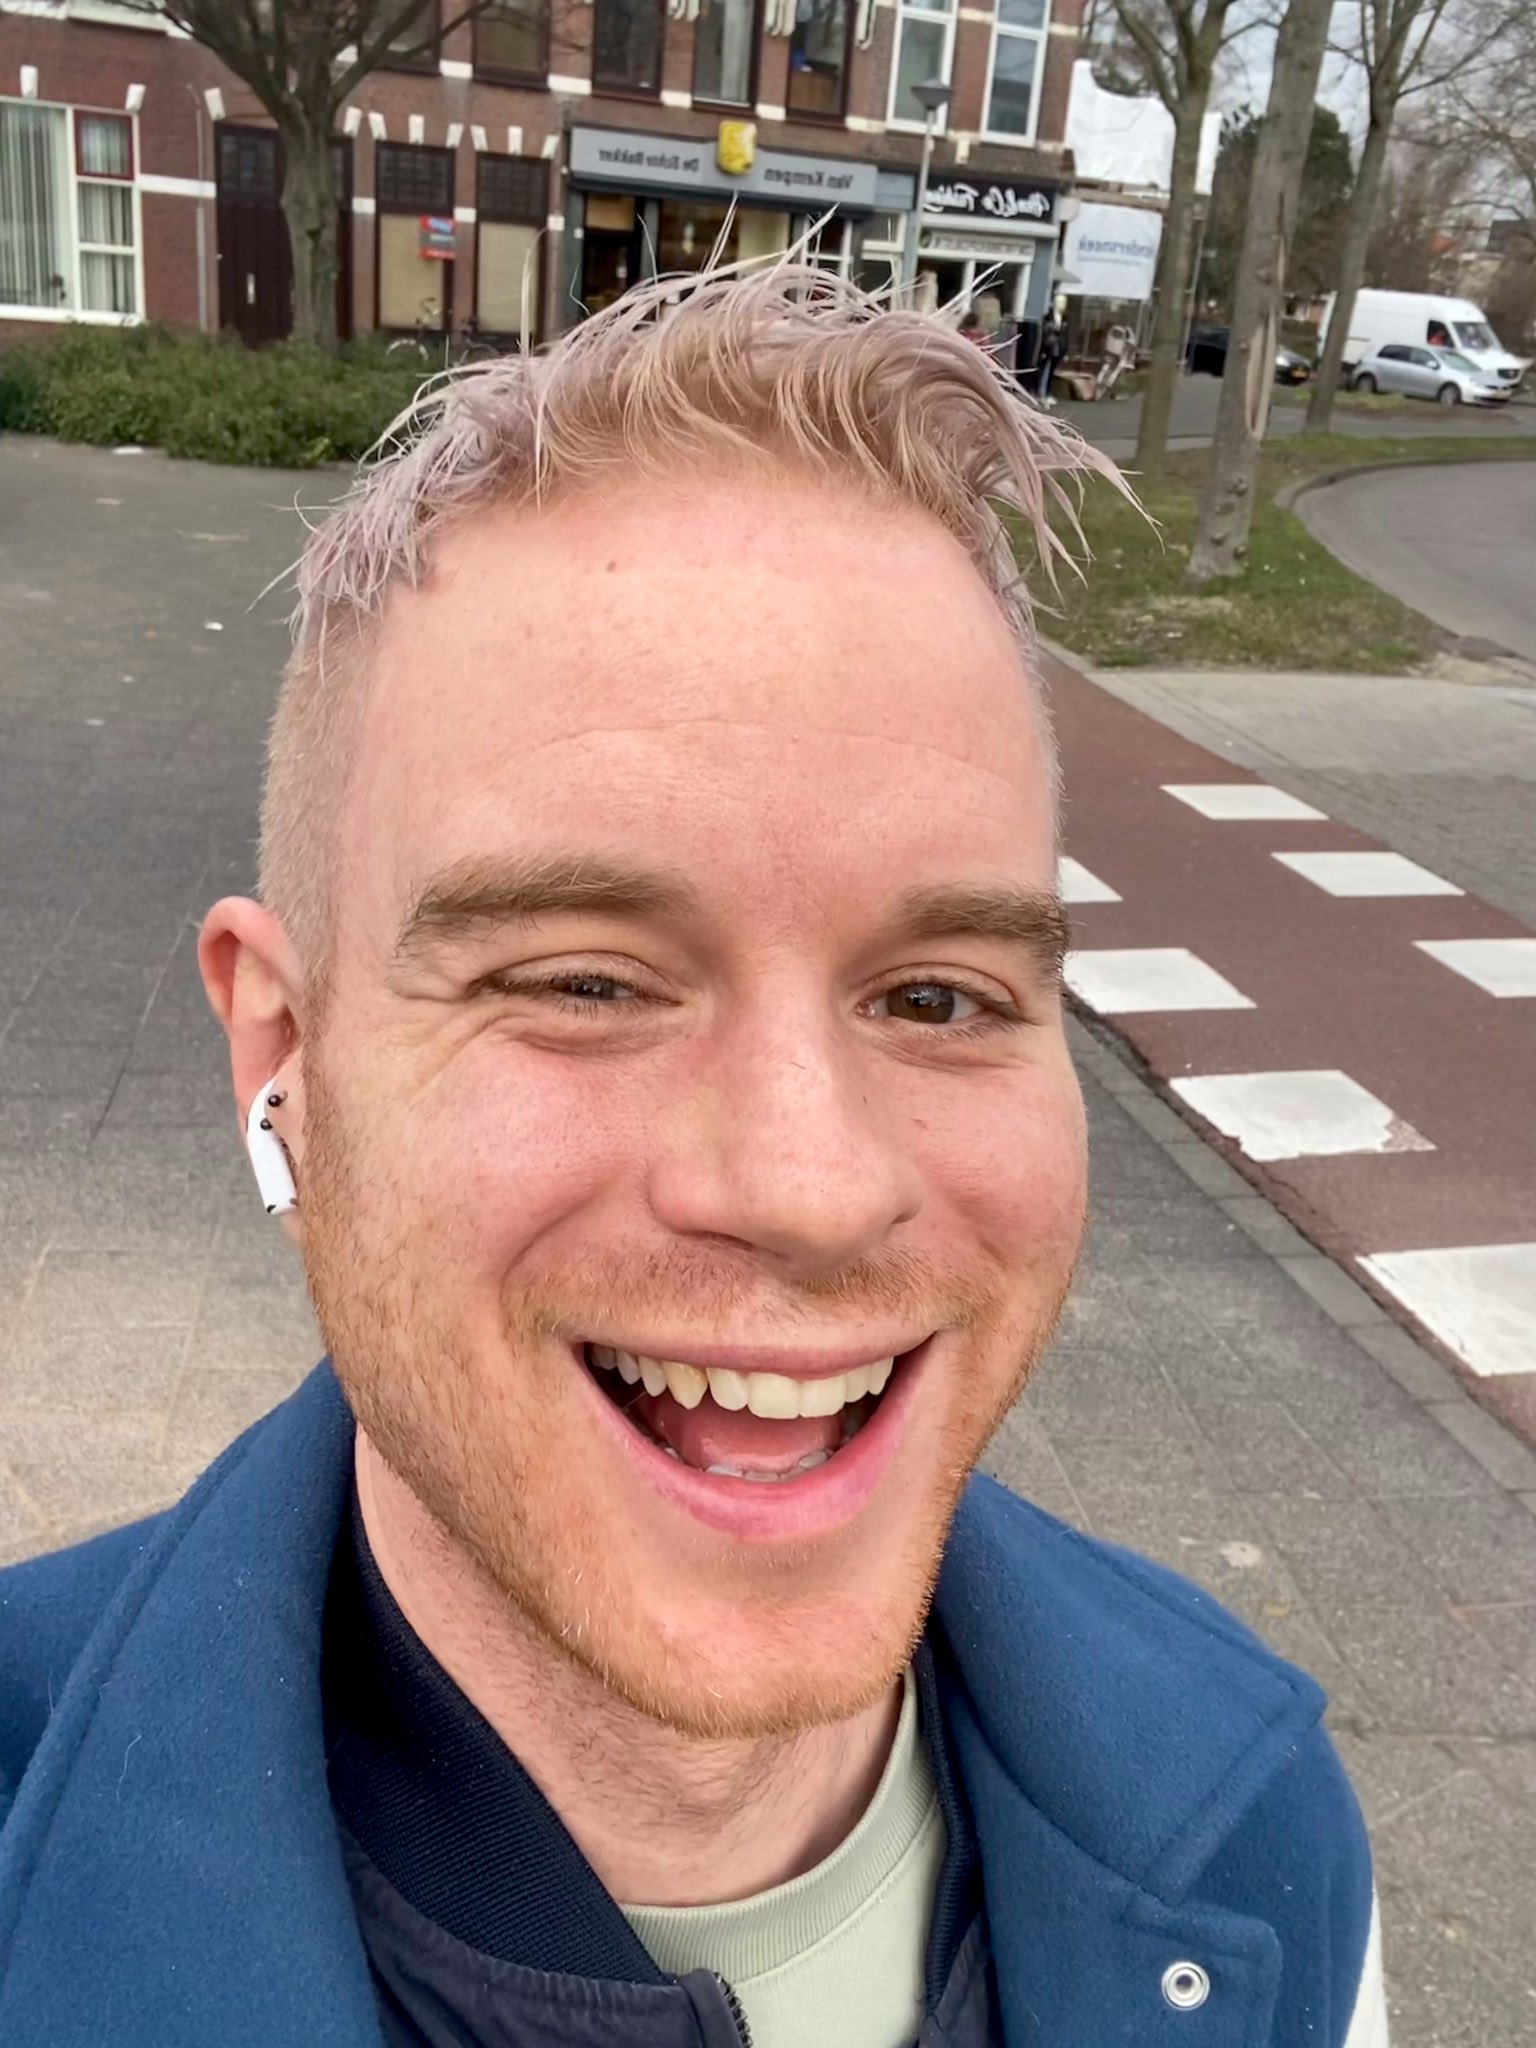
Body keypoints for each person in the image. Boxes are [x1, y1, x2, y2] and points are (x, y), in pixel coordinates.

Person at [0, 264, 1386, 2048]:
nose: (810, 1186)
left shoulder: (1263, 1834)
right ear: (285, 1057)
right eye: (585, 982)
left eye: (939, 997)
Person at [1036, 307, 1066, 402]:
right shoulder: (1048, 318)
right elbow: (1045, 334)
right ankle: (1041, 393)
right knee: (1044, 371)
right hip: (1049, 348)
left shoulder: (1063, 318)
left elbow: (1063, 335)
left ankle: (1046, 393)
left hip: (1056, 348)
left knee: (1050, 372)